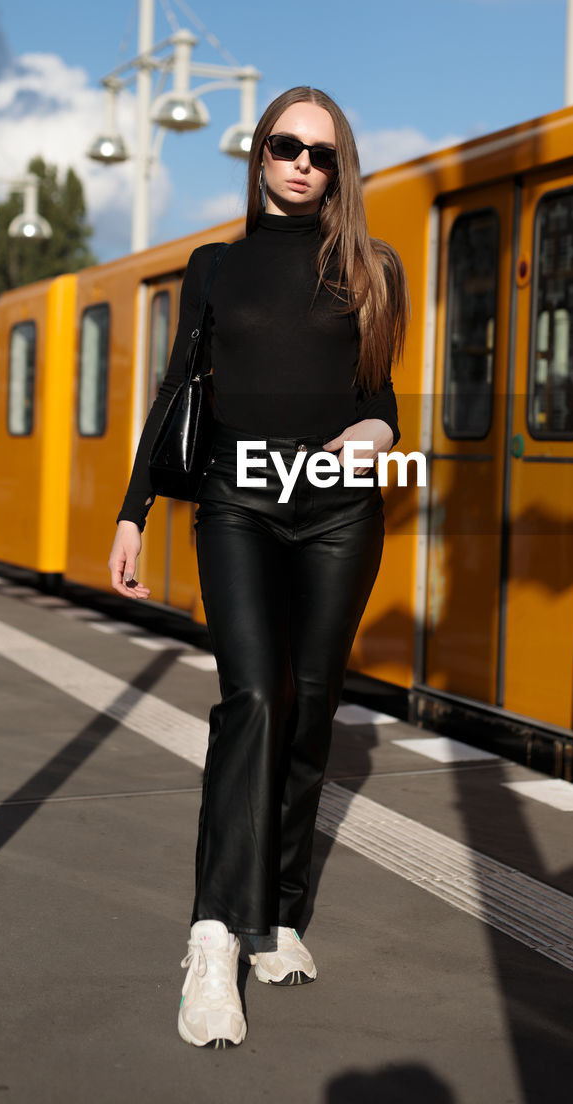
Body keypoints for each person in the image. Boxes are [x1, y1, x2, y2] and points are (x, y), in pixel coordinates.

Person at [108, 86, 409, 1049]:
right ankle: (212, 936)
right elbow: (173, 394)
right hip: (235, 505)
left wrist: (373, 430)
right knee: (253, 701)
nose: (301, 165)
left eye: (321, 154)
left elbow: (382, 398)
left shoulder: (373, 269)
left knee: (312, 702)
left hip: (334, 506)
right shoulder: (213, 267)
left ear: (339, 169)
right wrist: (134, 509)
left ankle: (278, 910)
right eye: (285, 146)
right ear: (259, 154)